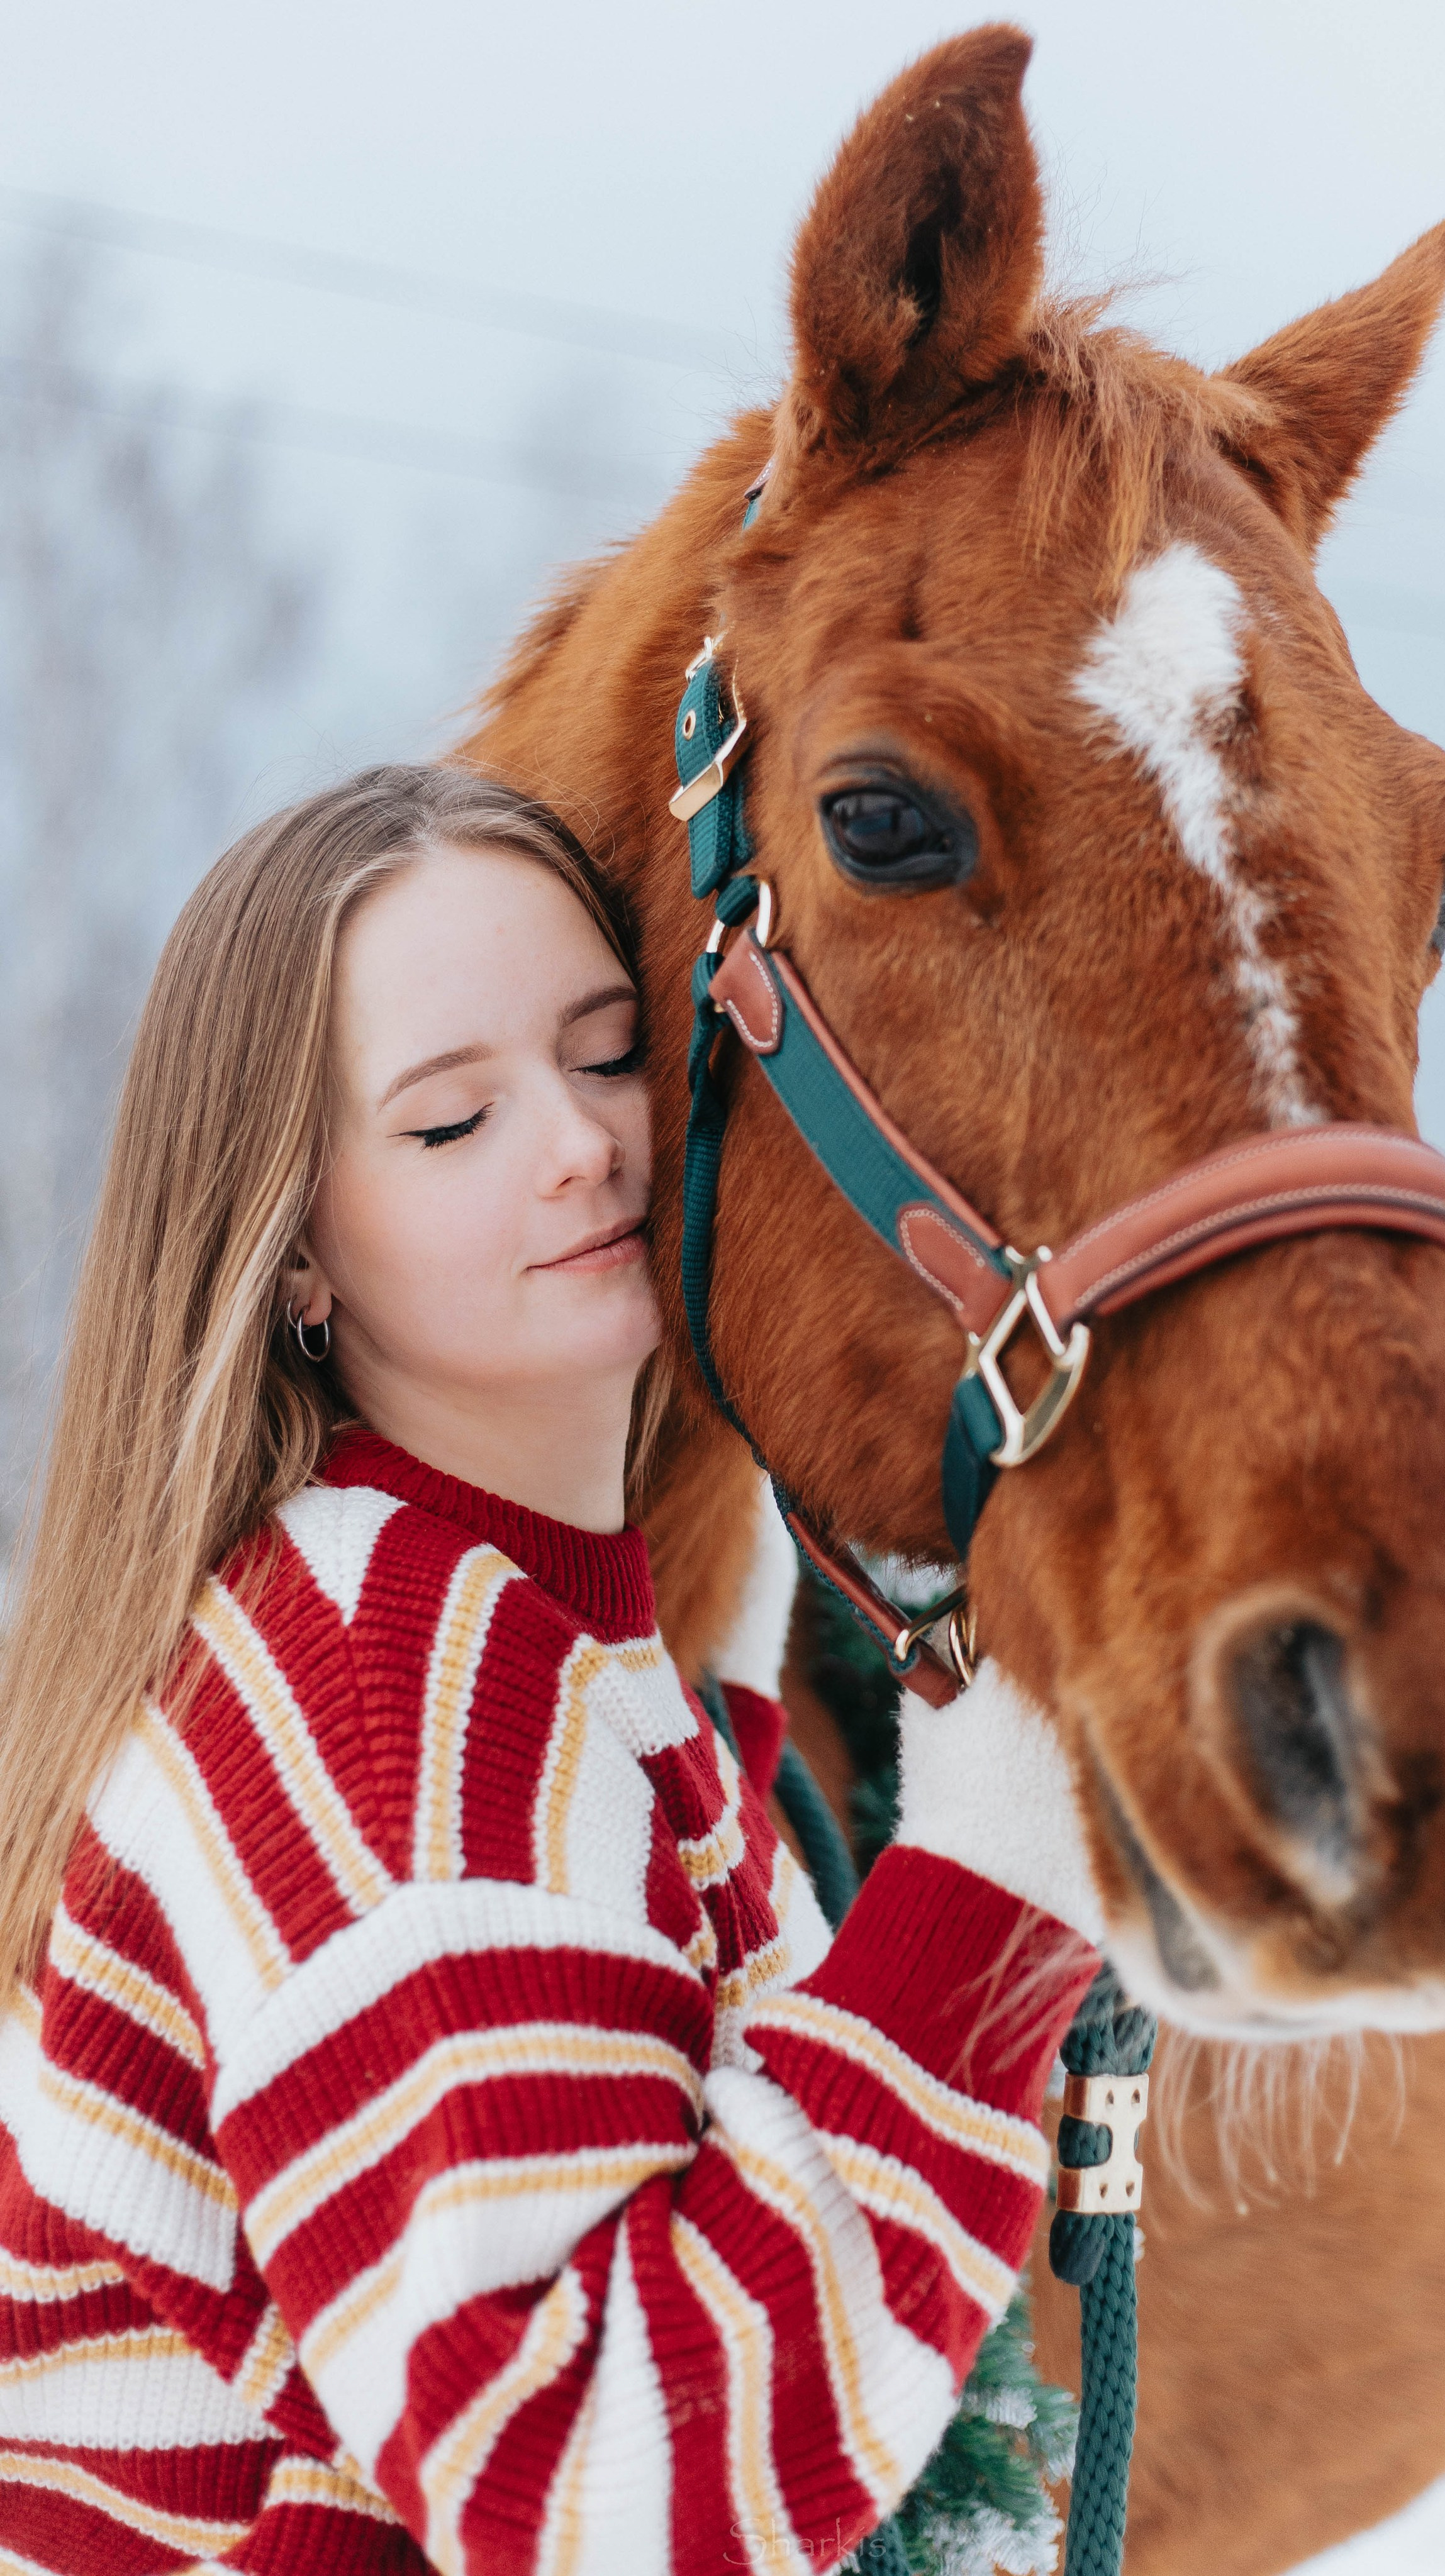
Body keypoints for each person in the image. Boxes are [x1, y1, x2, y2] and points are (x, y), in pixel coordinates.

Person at [0, 765, 1101, 2573]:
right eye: (451, 1123)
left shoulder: (549, 1637)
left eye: (607, 1055)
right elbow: (592, 2492)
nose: (582, 1141)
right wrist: (997, 1880)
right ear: (296, 1259)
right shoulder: (386, 1696)